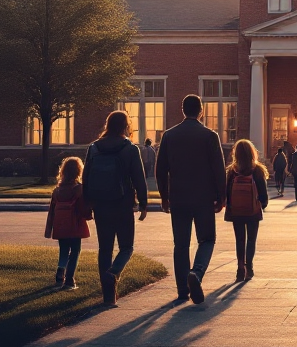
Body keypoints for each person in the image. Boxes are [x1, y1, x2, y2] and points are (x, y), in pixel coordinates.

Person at [155, 94, 227, 305]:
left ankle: (182, 290)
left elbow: (161, 170)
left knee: (181, 244)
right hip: (203, 197)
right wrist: (221, 196)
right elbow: (218, 169)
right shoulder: (210, 136)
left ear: (183, 110)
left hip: (178, 197)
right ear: (201, 111)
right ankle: (196, 272)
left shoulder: (169, 136)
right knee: (207, 239)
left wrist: (164, 196)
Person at [83, 110, 149, 306]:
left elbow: (86, 177)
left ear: (108, 125)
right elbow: (139, 178)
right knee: (126, 247)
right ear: (125, 126)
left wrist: (87, 203)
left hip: (100, 204)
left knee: (105, 249)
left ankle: (108, 297)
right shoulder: (130, 149)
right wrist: (143, 203)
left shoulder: (94, 148)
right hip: (123, 203)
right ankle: (114, 272)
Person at [224, 138, 269, 282]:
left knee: (239, 239)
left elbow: (227, 192)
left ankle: (239, 267)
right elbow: (263, 193)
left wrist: (229, 205)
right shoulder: (257, 170)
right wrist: (262, 204)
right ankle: (249, 267)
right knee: (251, 239)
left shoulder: (232, 171)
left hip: (236, 211)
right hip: (252, 211)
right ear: (252, 153)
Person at [44, 156, 92, 290]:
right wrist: (89, 215)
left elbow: (51, 211)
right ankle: (69, 280)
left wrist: (49, 229)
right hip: (75, 224)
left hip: (60, 225)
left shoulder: (57, 191)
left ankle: (60, 274)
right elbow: (83, 208)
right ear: (78, 171)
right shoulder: (78, 189)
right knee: (75, 251)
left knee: (63, 250)